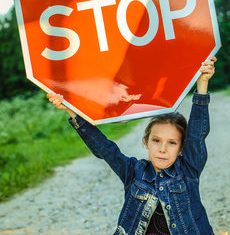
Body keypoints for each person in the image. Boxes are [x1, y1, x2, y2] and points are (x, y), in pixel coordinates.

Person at [47, 56, 217, 235]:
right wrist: (71, 110)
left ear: (182, 148)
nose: (162, 149)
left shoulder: (188, 171)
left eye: (172, 143)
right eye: (156, 140)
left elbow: (197, 134)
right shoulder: (133, 172)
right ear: (146, 141)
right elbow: (105, 149)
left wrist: (202, 84)